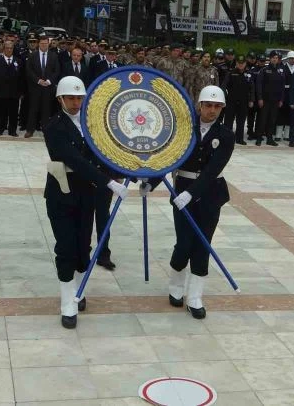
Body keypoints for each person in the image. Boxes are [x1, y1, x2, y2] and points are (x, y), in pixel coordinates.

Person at [43, 76, 128, 328]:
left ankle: (78, 292)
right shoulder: (53, 126)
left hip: (86, 193)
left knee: (83, 245)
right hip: (62, 193)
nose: (75, 102)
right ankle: (67, 303)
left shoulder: (93, 124)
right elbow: (74, 160)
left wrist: (130, 170)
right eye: (70, 98)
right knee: (65, 247)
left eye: (79, 98)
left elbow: (107, 152)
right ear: (60, 99)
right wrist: (108, 182)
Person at [142, 85, 234, 320]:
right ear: (199, 106)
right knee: (184, 243)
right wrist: (151, 183)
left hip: (210, 194)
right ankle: (176, 286)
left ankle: (195, 297)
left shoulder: (226, 135)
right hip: (182, 190)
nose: (212, 110)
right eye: (208, 105)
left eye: (217, 106)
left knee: (203, 244)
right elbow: (169, 159)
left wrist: (191, 193)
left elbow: (213, 170)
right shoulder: (183, 130)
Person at [25, 36, 60, 138]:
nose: (44, 45)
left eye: (45, 43)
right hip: (35, 87)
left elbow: (57, 71)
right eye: (42, 43)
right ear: (38, 44)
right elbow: (29, 70)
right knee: (33, 109)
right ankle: (30, 130)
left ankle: (46, 131)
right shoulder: (33, 55)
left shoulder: (54, 56)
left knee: (46, 110)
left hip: (48, 88)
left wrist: (49, 81)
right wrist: (38, 80)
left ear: (48, 44)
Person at [0, 41, 24, 136]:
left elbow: (22, 78)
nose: (9, 50)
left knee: (13, 113)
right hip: (1, 92)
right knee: (0, 113)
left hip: (14, 93)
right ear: (3, 49)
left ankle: (12, 130)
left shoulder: (18, 61)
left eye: (11, 48)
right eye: (7, 48)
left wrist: (21, 92)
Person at [255, 52, 286, 146]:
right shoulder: (264, 70)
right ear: (270, 59)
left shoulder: (281, 71)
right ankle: (259, 138)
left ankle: (269, 139)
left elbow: (282, 86)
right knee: (262, 120)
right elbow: (259, 85)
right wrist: (260, 98)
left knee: (272, 120)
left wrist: (281, 99)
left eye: (276, 58)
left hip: (275, 100)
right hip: (265, 100)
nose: (275, 59)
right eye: (273, 58)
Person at [222, 55, 253, 145]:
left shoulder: (249, 74)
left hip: (244, 101)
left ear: (245, 64)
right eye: (239, 63)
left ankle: (239, 139)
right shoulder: (230, 73)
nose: (240, 65)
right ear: (236, 63)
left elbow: (252, 88)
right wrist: (224, 98)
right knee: (228, 121)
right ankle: (227, 139)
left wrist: (251, 100)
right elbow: (224, 86)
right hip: (231, 101)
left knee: (241, 121)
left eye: (242, 63)